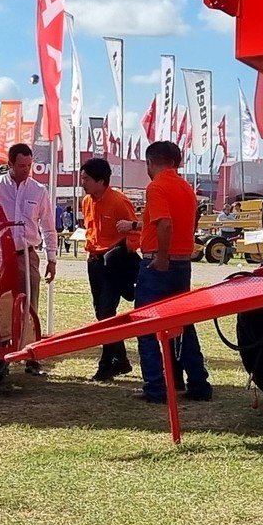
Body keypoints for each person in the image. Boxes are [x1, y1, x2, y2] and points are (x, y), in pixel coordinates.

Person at [131, 140, 211, 402]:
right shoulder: (186, 187)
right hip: (182, 263)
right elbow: (192, 220)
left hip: (158, 263)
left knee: (147, 325)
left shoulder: (157, 187)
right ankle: (198, 383)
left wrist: (162, 258)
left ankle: (155, 388)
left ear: (150, 163)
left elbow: (164, 223)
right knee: (183, 324)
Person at [0, 142, 55, 372]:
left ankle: (32, 356)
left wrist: (52, 258)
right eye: (21, 165)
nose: (26, 169)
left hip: (26, 255)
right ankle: (0, 353)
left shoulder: (39, 191)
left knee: (30, 303)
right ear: (9, 164)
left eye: (29, 165)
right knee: (0, 304)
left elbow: (48, 227)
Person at [78, 157, 139, 381]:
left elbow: (135, 233)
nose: (82, 182)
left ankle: (107, 364)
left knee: (106, 313)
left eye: (86, 179)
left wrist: (125, 252)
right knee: (102, 313)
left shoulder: (119, 201)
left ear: (101, 181)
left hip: (113, 262)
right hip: (94, 260)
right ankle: (121, 361)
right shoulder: (87, 201)